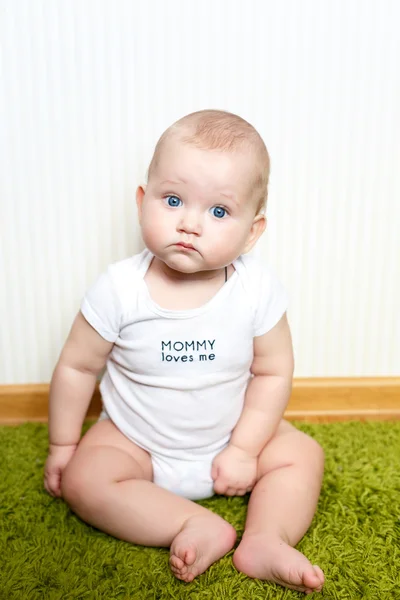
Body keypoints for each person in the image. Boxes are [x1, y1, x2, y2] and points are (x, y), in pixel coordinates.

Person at [44, 109, 325, 594]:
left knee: (302, 455)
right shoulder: (120, 289)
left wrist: (244, 449)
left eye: (218, 212)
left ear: (252, 232)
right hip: (138, 443)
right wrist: (63, 446)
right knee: (85, 479)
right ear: (142, 201)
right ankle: (192, 524)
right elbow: (76, 366)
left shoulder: (255, 289)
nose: (189, 224)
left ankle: (265, 539)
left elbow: (274, 372)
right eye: (172, 200)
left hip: (232, 437)